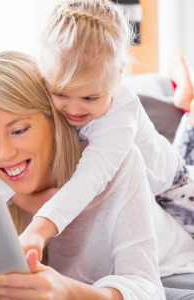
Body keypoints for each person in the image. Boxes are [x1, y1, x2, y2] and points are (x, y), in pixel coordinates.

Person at [0, 51, 194, 300]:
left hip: (183, 224)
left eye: (19, 130)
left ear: (54, 118)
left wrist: (69, 292)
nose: (5, 154)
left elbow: (148, 290)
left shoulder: (116, 161)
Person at [18, 0, 194, 259]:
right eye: (60, 93)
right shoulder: (48, 88)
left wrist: (39, 229)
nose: (74, 109)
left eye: (90, 98)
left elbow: (92, 176)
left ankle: (185, 92)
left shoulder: (121, 112)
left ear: (119, 75)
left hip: (176, 186)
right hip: (151, 178)